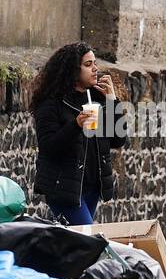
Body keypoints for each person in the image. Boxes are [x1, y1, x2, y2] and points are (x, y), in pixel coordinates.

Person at [31, 42, 126, 224]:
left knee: (75, 242)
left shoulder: (96, 98)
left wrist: (113, 101)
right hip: (63, 188)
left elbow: (118, 139)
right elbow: (48, 146)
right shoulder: (51, 104)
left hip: (91, 186)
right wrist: (76, 124)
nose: (95, 69)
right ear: (73, 70)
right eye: (88, 64)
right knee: (87, 237)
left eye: (95, 63)